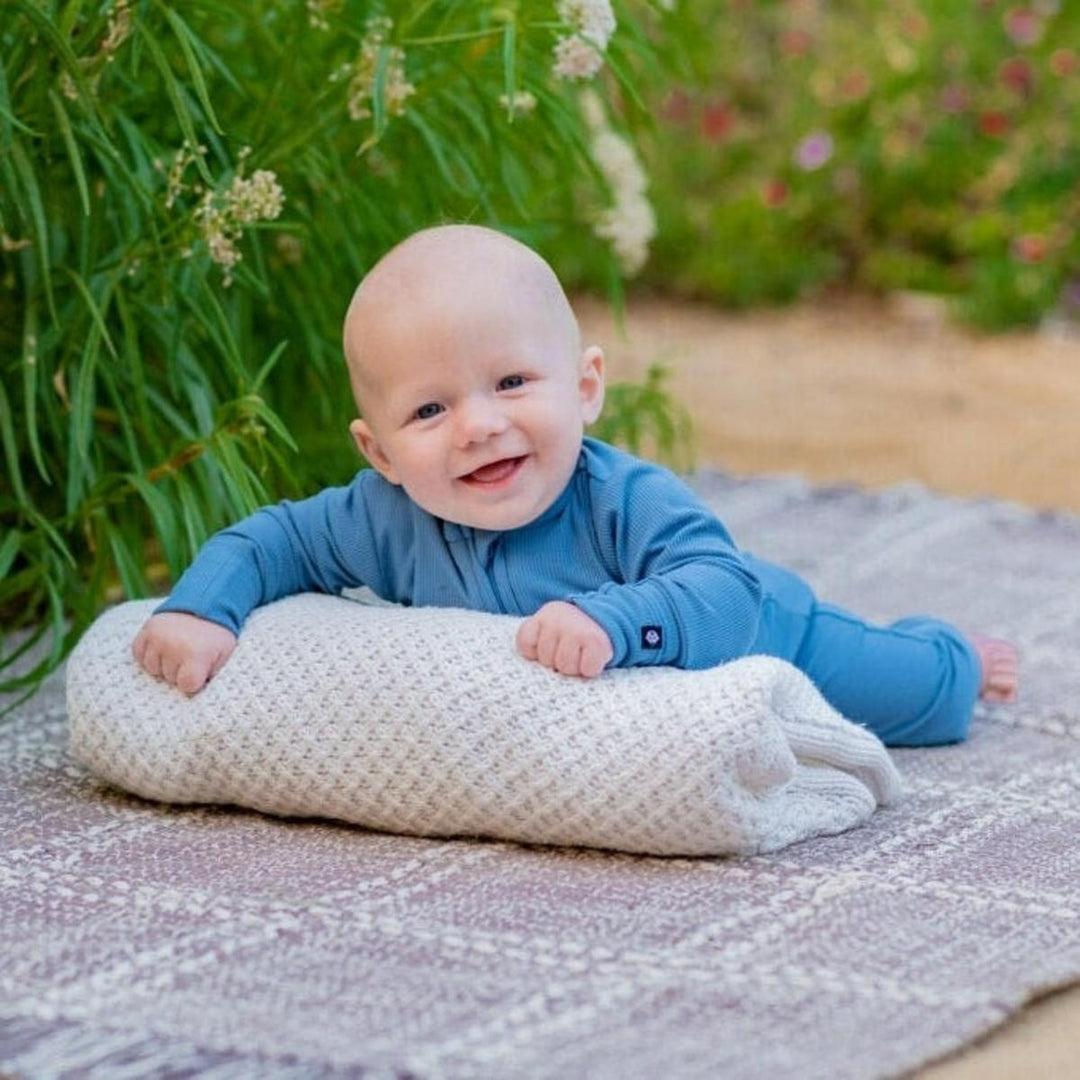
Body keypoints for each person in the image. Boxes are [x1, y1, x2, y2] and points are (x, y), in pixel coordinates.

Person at [132, 224, 1019, 746]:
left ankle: (958, 654)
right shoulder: (380, 518)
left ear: (586, 386)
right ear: (382, 453)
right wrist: (200, 609)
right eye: (431, 409)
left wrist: (612, 619)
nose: (480, 424)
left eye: (513, 383)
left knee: (906, 702)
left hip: (766, 636)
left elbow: (726, 589)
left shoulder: (620, 498)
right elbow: (269, 541)